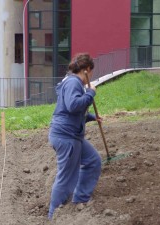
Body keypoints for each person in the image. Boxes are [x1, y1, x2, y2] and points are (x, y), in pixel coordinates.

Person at [48, 53, 102, 219]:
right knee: (66, 177)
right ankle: (53, 215)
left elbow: (71, 111)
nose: (91, 77)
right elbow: (73, 106)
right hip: (66, 137)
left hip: (71, 135)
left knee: (93, 161)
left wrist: (91, 117)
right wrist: (90, 93)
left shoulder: (72, 82)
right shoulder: (73, 82)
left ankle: (80, 198)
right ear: (86, 70)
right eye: (91, 73)